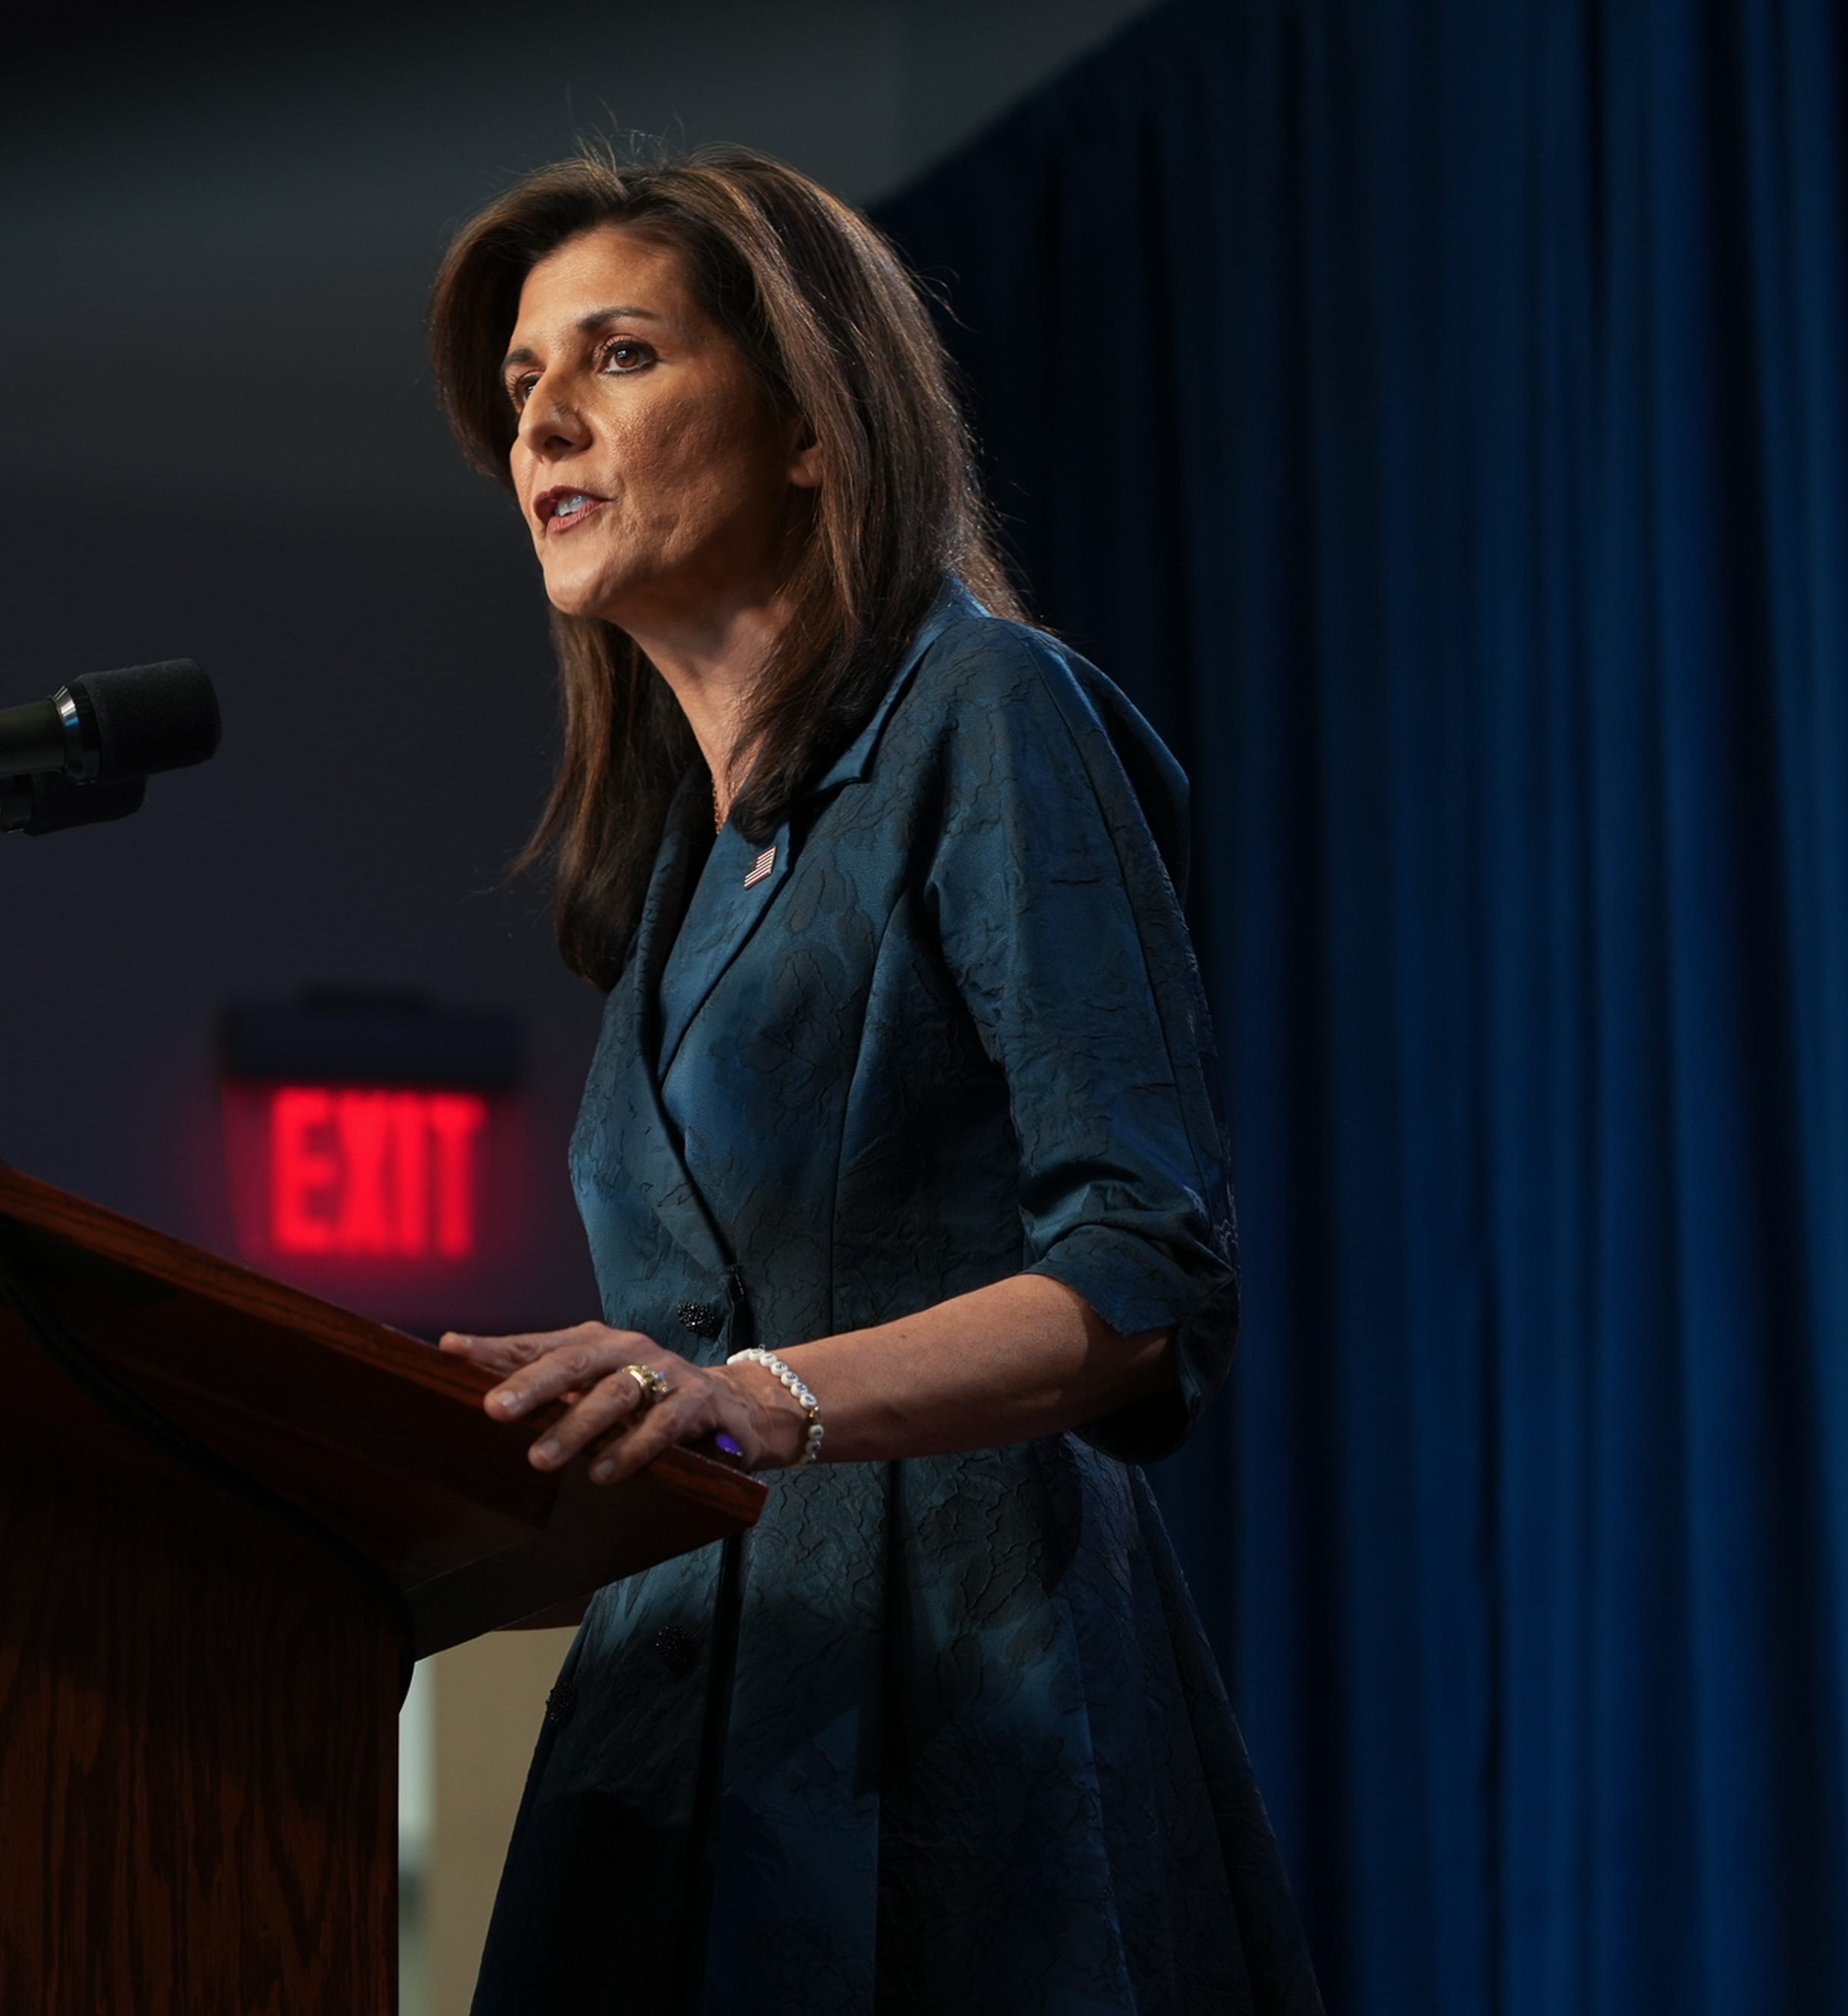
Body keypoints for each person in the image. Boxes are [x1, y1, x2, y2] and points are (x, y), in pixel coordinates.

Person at [430, 147, 1318, 2016]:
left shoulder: (985, 713)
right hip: (685, 1713)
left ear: (810, 428)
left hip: (958, 1694)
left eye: (618, 355)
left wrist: (754, 1396)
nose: (544, 423)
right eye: (520, 383)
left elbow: (1145, 1270)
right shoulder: (672, 876)